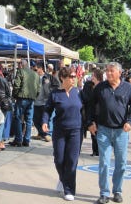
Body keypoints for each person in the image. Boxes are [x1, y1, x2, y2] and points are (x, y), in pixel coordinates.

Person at [88, 62, 131, 204]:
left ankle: (117, 191)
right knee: (104, 162)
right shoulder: (100, 88)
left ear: (119, 73)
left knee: (121, 163)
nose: (108, 73)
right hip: (103, 130)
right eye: (107, 71)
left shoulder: (128, 88)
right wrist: (90, 122)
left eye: (111, 71)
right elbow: (91, 105)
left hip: (121, 131)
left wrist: (130, 122)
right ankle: (104, 193)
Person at [42, 67, 82, 202]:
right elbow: (47, 109)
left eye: (74, 76)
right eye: (70, 76)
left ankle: (69, 189)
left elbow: (86, 109)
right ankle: (63, 179)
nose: (73, 79)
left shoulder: (78, 92)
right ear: (62, 78)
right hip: (60, 131)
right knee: (59, 159)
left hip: (76, 131)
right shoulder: (55, 94)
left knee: (71, 161)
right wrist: (45, 122)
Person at [10, 59, 40, 147]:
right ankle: (27, 140)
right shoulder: (35, 74)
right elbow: (39, 89)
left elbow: (16, 85)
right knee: (29, 120)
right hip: (31, 99)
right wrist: (34, 96)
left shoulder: (20, 72)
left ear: (21, 65)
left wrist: (15, 95)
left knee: (18, 118)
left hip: (21, 98)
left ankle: (19, 139)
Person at [33, 63, 59, 142]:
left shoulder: (49, 77)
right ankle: (42, 133)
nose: (35, 71)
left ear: (41, 68)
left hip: (45, 102)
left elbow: (56, 85)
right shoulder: (34, 77)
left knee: (47, 119)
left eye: (36, 69)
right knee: (36, 120)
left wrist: (50, 92)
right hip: (35, 101)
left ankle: (48, 134)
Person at [80, 68, 103, 156]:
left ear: (97, 76)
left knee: (99, 132)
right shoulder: (89, 85)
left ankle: (100, 150)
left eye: (93, 75)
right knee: (93, 132)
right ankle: (95, 151)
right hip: (90, 111)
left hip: (100, 112)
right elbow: (85, 97)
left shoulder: (102, 86)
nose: (91, 77)